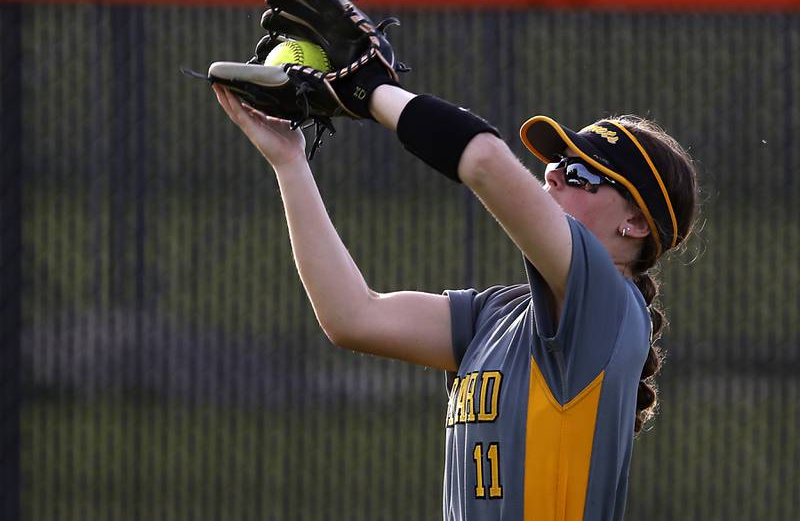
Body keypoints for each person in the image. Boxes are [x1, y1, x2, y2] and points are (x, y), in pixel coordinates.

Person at [212, 75, 699, 519]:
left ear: (633, 224)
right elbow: (353, 316)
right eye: (556, 163)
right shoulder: (498, 314)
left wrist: (371, 90)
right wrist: (291, 162)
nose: (552, 175)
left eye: (581, 175)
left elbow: (484, 161)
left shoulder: (612, 309)